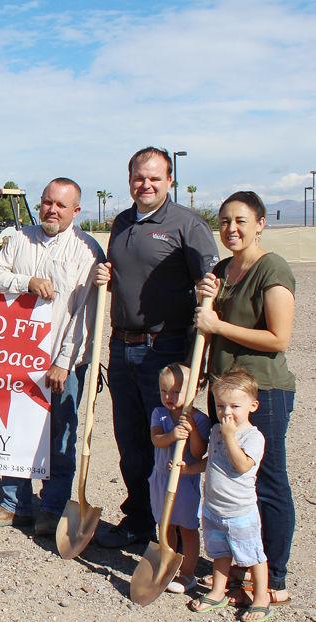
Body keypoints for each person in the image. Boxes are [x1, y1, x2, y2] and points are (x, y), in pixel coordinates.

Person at [94, 147, 219, 548]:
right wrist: (107, 278)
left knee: (167, 440)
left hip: (164, 348)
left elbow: (211, 284)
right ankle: (138, 520)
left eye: (154, 178)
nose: (145, 185)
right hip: (121, 345)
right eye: (137, 177)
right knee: (130, 438)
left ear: (169, 181)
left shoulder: (187, 225)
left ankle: (176, 531)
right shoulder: (122, 223)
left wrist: (195, 357)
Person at [0, 178, 104, 528]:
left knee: (60, 437)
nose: (51, 210)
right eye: (47, 202)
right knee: (16, 430)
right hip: (19, 358)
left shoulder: (87, 251)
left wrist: (64, 360)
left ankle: (52, 509)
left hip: (63, 361)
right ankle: (15, 503)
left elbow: (86, 313)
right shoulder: (19, 240)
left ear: (76, 210)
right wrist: (25, 282)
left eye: (60, 205)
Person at [195, 190, 295, 606]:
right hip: (223, 394)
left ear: (260, 223)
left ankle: (275, 577)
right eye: (224, 222)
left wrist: (217, 324)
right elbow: (205, 326)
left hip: (262, 393)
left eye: (240, 221)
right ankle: (239, 564)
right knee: (227, 475)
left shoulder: (272, 268)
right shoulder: (222, 269)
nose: (231, 229)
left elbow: (279, 337)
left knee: (265, 483)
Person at [184, 369, 270, 621]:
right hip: (213, 507)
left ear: (252, 406)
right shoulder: (216, 431)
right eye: (221, 405)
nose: (226, 412)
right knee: (220, 552)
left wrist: (230, 436)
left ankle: (261, 596)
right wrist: (190, 468)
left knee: (252, 554)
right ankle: (218, 591)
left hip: (240, 511)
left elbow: (242, 465)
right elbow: (214, 462)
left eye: (235, 405)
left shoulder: (253, 437)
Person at [147, 363, 209, 594]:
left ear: (191, 391)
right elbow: (156, 440)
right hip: (161, 478)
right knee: (165, 525)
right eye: (164, 391)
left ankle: (188, 574)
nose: (169, 397)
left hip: (184, 482)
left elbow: (198, 452)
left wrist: (191, 429)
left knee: (188, 528)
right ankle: (167, 565)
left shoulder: (199, 418)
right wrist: (173, 435)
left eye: (175, 392)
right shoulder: (159, 414)